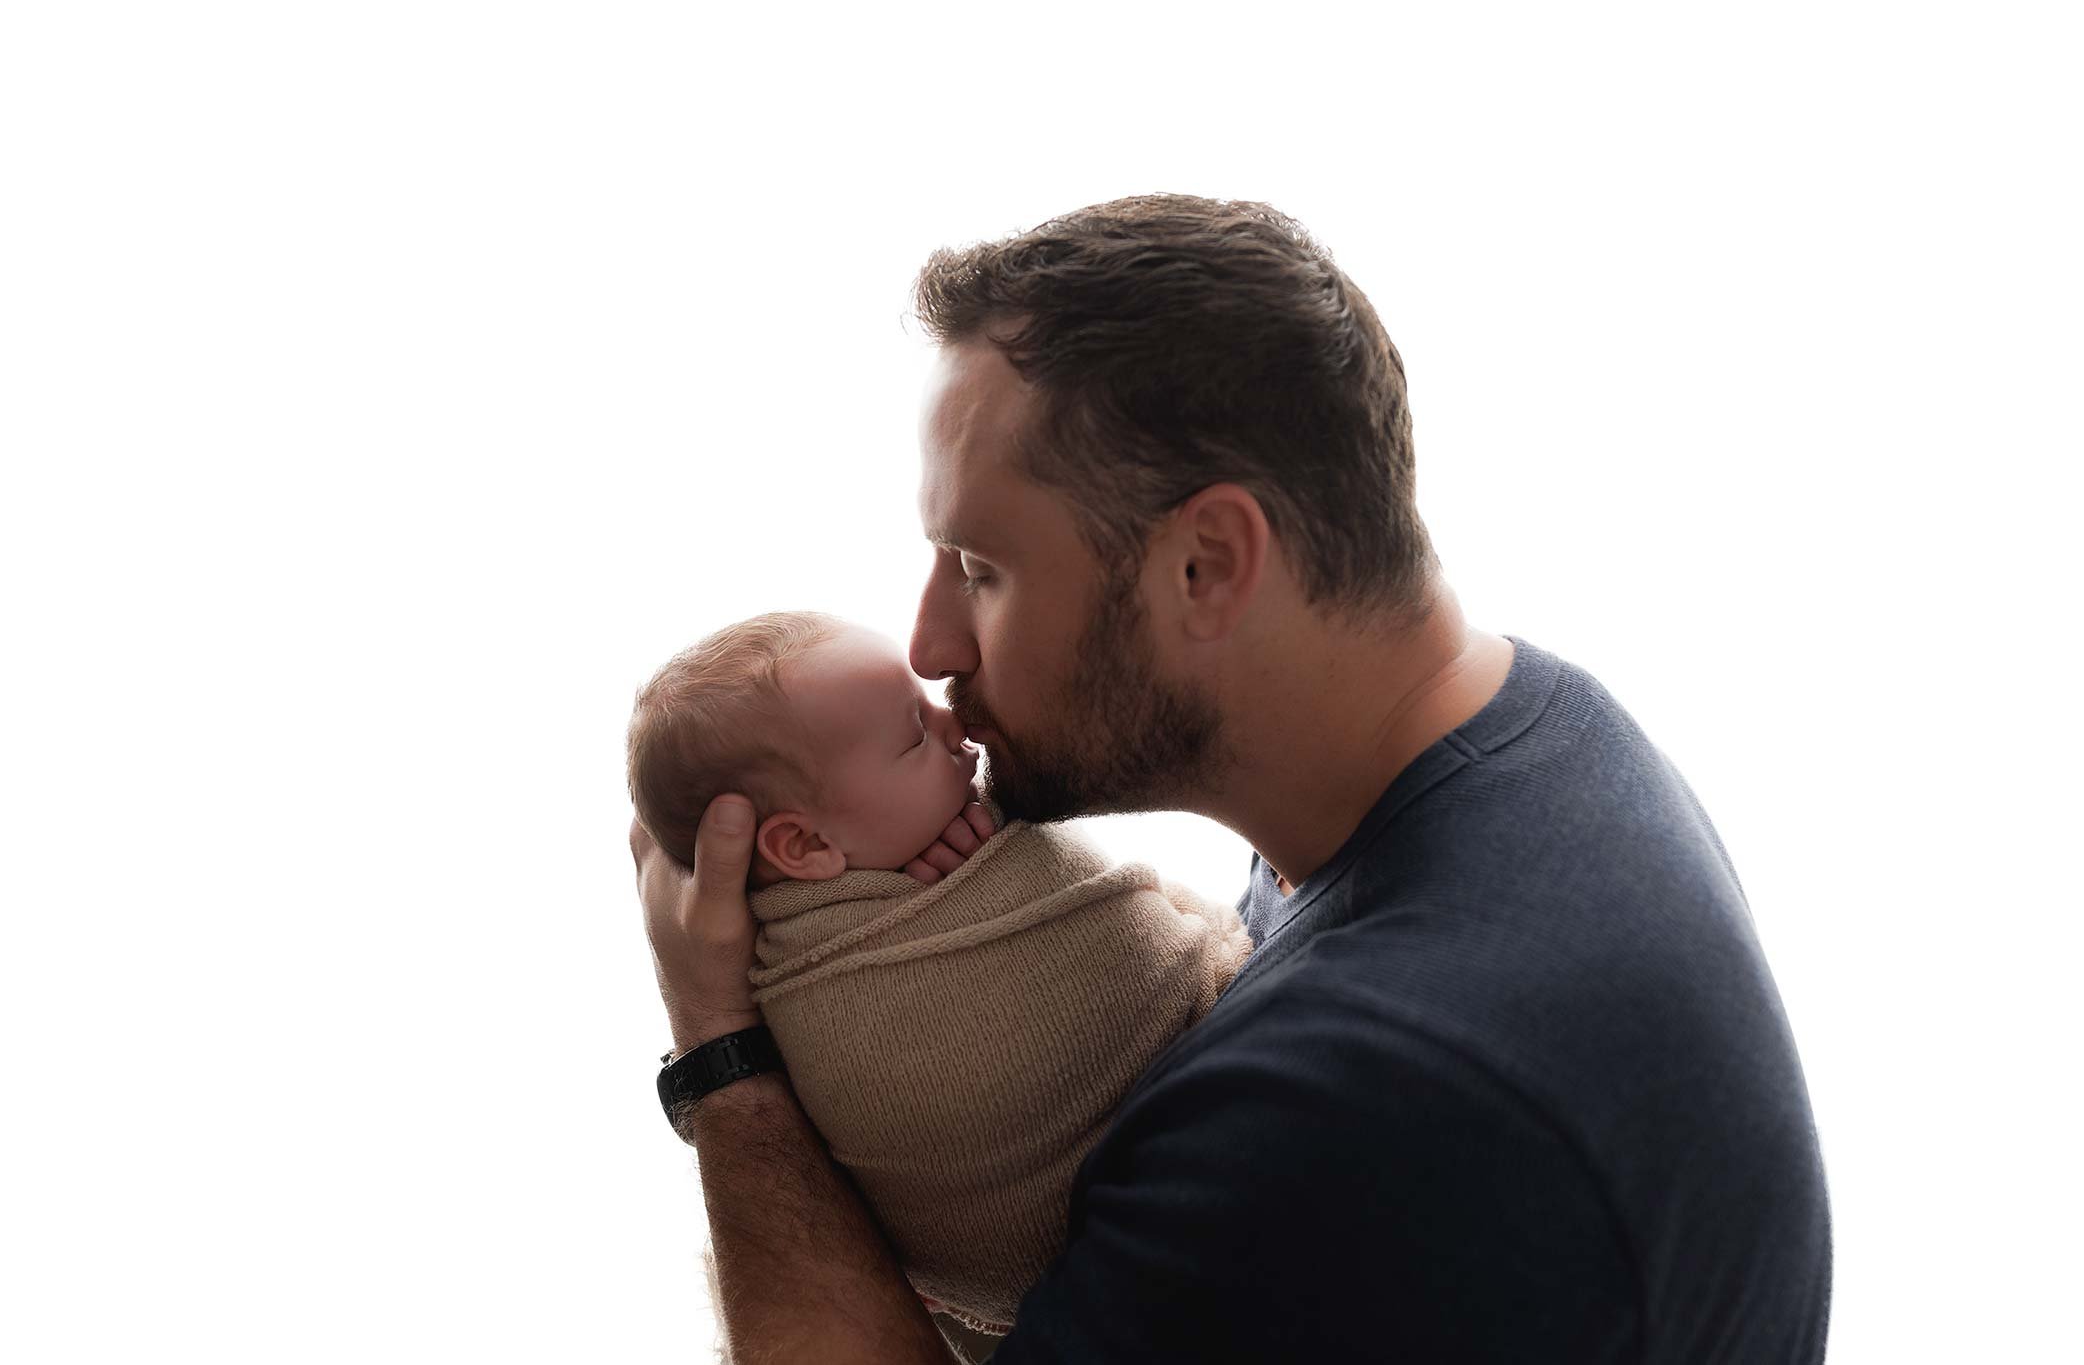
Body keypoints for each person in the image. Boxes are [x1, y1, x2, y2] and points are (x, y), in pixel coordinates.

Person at [629, 194, 1833, 1362]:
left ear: (1206, 563)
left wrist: (721, 1052)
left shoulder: (1353, 1107)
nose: (934, 647)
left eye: (979, 567)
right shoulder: (1530, 731)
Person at [625, 612, 1249, 1338]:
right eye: (914, 735)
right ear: (803, 845)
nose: (953, 722)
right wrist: (1008, 865)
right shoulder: (816, 983)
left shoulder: (861, 882)